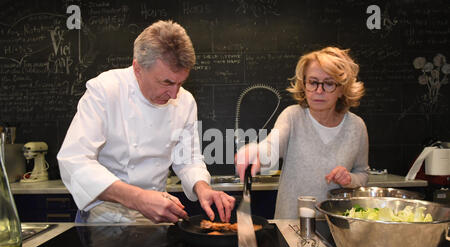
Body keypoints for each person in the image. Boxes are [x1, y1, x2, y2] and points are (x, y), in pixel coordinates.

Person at [57, 20, 235, 224]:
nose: (174, 93)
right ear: (137, 68)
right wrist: (138, 198)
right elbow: (75, 161)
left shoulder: (185, 101)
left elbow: (187, 159)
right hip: (104, 219)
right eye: (166, 82)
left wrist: (203, 187)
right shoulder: (105, 91)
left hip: (157, 217)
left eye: (180, 83)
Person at [235, 47, 369, 219]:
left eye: (328, 83)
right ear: (304, 84)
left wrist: (349, 179)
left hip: (336, 227)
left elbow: (363, 174)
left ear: (342, 88)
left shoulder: (356, 127)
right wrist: (256, 151)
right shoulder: (292, 116)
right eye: (313, 82)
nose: (318, 91)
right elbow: (272, 146)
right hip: (290, 226)